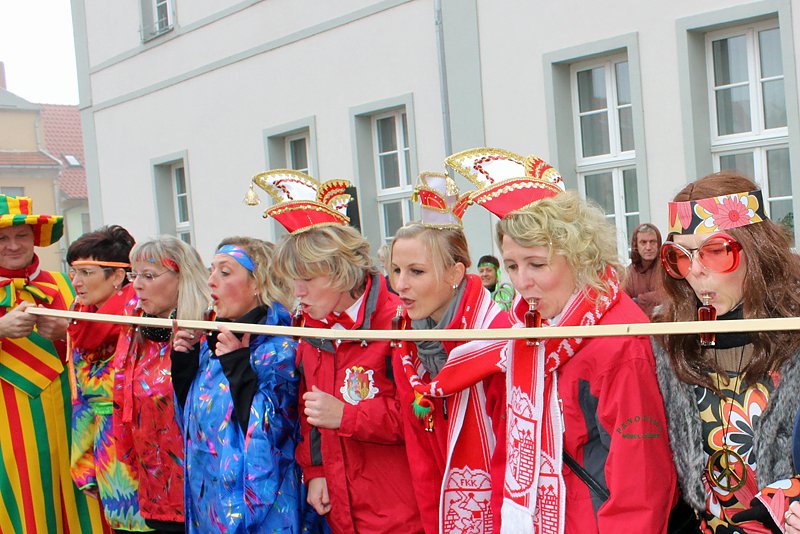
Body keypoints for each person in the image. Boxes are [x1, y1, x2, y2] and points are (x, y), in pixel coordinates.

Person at [448, 148, 677, 533]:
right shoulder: (528, 329)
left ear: (579, 257)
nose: (522, 282)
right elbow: (513, 449)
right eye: (512, 266)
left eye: (537, 264)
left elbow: (641, 483)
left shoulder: (616, 337)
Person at [254, 169, 422, 533]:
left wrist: (347, 416)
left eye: (307, 280)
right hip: (343, 511)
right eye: (292, 280)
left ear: (341, 271)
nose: (297, 291)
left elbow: (417, 418)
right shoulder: (313, 327)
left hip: (400, 512)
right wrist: (316, 471)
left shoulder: (398, 323)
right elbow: (310, 407)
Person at [654, 171, 800, 533]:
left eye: (715, 251)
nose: (696, 272)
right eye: (681, 256)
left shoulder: (795, 337)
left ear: (756, 251)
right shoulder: (670, 341)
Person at [390, 171, 509, 533]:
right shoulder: (404, 340)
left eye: (416, 271)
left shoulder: (495, 341)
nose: (400, 285)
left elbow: (510, 451)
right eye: (396, 270)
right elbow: (419, 453)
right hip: (439, 510)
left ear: (455, 273)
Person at [170, 237, 309, 532]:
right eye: (211, 271)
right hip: (210, 503)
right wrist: (185, 365)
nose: (210, 281)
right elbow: (194, 430)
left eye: (225, 272)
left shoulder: (282, 347)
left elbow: (273, 437)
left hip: (260, 512)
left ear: (258, 282)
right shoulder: (216, 341)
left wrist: (239, 368)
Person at [0, 195, 106, 532]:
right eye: (1, 238)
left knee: (83, 507)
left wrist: (69, 332)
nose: (13, 246)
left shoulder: (68, 284)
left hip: (72, 421)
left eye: (21, 236)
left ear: (35, 238)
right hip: (7, 430)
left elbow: (110, 349)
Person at [113, 236, 211, 533]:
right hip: (154, 490)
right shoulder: (136, 334)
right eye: (134, 275)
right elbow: (122, 403)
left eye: (149, 275)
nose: (137, 284)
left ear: (182, 277)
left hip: (201, 494)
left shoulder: (207, 334)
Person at [66, 225, 151, 532]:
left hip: (147, 452)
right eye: (74, 272)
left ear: (117, 276)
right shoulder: (81, 318)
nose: (76, 282)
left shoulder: (143, 320)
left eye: (86, 272)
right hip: (105, 452)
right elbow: (82, 400)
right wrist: (83, 463)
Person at [622, 223, 663, 316]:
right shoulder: (628, 273)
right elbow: (622, 301)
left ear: (658, 244)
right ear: (636, 245)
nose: (648, 247)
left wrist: (638, 301)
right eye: (643, 242)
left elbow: (670, 296)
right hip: (638, 326)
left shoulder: (668, 270)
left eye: (652, 242)